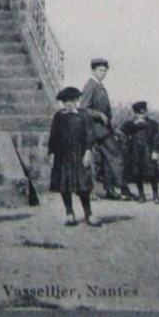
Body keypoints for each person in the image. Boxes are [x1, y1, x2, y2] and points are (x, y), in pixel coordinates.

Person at [80, 58, 137, 200]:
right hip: (96, 129)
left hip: (103, 129)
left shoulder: (98, 85)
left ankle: (110, 190)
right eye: (100, 70)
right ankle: (123, 189)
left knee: (107, 160)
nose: (103, 73)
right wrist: (99, 114)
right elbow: (84, 109)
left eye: (105, 71)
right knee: (116, 155)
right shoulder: (91, 85)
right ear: (93, 70)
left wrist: (111, 128)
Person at [48, 86, 100, 226]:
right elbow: (53, 136)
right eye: (65, 101)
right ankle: (69, 213)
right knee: (64, 184)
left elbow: (90, 134)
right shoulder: (59, 116)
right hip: (62, 155)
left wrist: (88, 151)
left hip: (79, 154)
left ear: (77, 100)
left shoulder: (83, 115)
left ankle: (88, 214)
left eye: (71, 100)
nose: (69, 103)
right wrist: (52, 153)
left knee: (83, 185)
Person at [120, 101, 159, 204]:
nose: (141, 115)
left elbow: (157, 138)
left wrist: (156, 151)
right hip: (135, 152)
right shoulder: (130, 125)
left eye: (143, 112)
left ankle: (156, 195)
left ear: (146, 112)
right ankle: (141, 195)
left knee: (152, 173)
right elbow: (122, 131)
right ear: (135, 113)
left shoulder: (152, 124)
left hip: (148, 151)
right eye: (139, 113)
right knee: (137, 173)